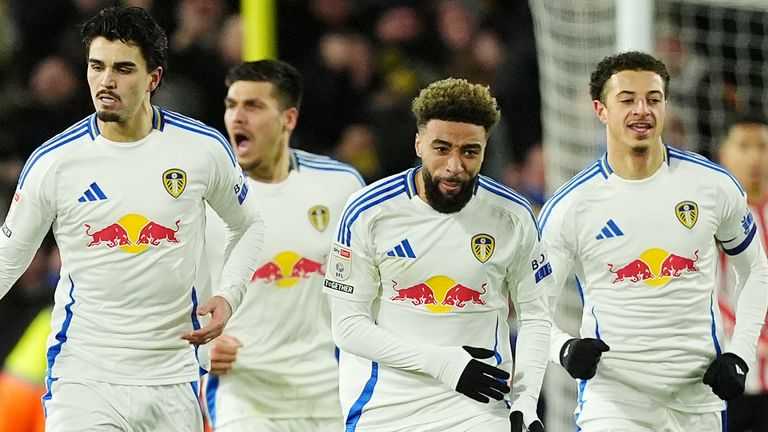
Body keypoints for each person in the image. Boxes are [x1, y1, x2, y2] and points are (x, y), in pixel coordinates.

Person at [0, 6, 265, 431]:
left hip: (173, 377)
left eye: (123, 69)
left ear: (153, 78)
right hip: (83, 378)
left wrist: (229, 294)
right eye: (97, 66)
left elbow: (249, 224)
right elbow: (7, 259)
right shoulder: (54, 162)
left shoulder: (201, 150)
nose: (106, 81)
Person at [539, 51, 768, 431]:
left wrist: (740, 353)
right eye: (627, 99)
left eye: (653, 99)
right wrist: (563, 348)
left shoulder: (712, 186)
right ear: (601, 110)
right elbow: (532, 305)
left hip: (698, 400)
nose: (641, 110)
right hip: (614, 404)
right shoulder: (570, 207)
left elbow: (756, 270)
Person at [322, 77, 551, 431]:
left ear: (485, 149)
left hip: (479, 408)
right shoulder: (368, 212)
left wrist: (526, 399)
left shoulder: (513, 216)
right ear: (419, 144)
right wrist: (444, 364)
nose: (454, 166)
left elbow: (536, 316)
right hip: (385, 408)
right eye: (442, 149)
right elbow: (348, 327)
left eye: (469, 152)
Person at [203, 60, 364, 432]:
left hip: (330, 393)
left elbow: (371, 285)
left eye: (253, 106)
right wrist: (199, 347)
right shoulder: (205, 198)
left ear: (288, 119)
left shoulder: (341, 186)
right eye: (231, 105)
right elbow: (163, 290)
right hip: (244, 398)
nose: (237, 117)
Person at [717, 112, 768, 432]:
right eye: (744, 146)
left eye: (762, 146)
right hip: (729, 371)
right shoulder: (712, 217)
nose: (754, 157)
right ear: (724, 153)